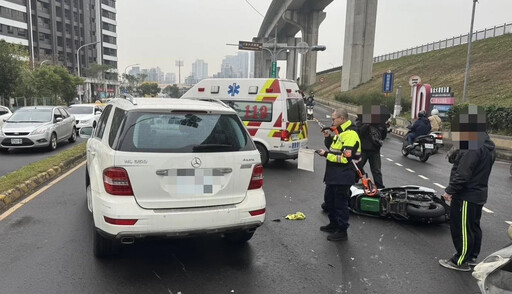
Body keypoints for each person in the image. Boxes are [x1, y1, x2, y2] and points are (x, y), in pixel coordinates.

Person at [438, 106, 496, 271]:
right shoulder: (486, 143)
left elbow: (463, 174)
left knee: (462, 228)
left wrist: (450, 190)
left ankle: (460, 260)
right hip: (478, 193)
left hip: (466, 195)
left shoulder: (473, 145)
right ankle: (471, 257)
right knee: (473, 227)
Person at [317, 108, 361, 241]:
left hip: (343, 175)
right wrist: (328, 138)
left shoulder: (350, 133)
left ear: (342, 119)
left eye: (333, 119)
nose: (332, 121)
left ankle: (342, 230)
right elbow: (334, 147)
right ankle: (333, 224)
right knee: (329, 200)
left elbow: (344, 157)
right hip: (334, 174)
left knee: (340, 203)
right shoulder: (340, 131)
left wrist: (325, 154)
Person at [356, 116, 388, 189]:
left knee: (376, 171)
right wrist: (367, 124)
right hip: (363, 150)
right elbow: (359, 132)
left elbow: (383, 135)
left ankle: (380, 188)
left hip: (375, 151)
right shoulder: (361, 121)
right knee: (358, 170)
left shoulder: (381, 123)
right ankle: (352, 186)